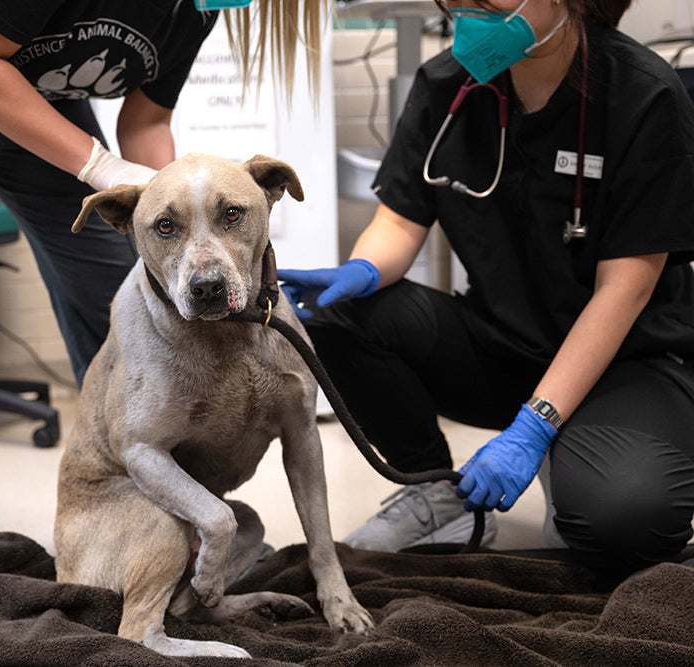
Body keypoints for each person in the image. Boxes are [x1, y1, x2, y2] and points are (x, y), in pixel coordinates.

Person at [0, 1, 329, 665]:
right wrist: (100, 170)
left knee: (120, 286)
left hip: (34, 90)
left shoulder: (197, 7)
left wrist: (167, 220)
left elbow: (148, 120)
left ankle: (151, 535)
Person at [279, 0, 694, 582]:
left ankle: (576, 448)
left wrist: (535, 427)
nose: (468, 9)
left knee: (624, 524)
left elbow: (623, 291)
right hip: (503, 343)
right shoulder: (448, 85)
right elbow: (400, 222)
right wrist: (362, 271)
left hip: (626, 363)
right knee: (339, 314)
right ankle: (439, 499)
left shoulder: (644, 95)